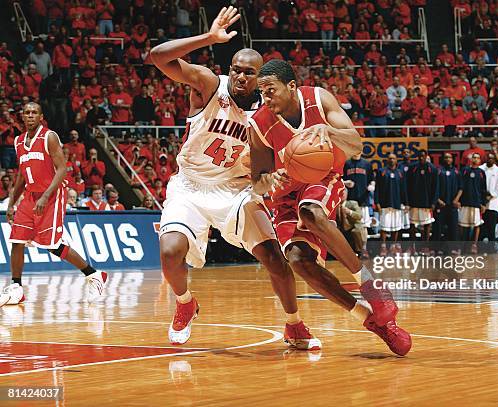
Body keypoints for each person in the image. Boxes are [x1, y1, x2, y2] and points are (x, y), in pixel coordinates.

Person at [149, 7, 319, 348]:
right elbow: (156, 57)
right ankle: (185, 304)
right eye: (237, 70)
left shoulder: (271, 110)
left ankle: (294, 324)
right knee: (169, 252)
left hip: (238, 190)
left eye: (250, 73)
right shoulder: (211, 86)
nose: (241, 77)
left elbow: (279, 157)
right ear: (230, 71)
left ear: (261, 78)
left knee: (274, 258)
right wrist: (209, 39)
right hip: (191, 185)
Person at [249, 59, 412, 355]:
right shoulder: (259, 123)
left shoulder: (318, 99)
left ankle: (371, 286)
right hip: (284, 197)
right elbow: (257, 183)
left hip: (322, 179)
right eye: (261, 92)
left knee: (310, 212)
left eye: (270, 90)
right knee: (299, 262)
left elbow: (356, 145)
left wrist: (329, 132)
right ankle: (373, 322)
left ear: (292, 86)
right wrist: (269, 179)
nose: (265, 98)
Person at [1, 102, 107, 307]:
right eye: (27, 113)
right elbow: (22, 175)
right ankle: (16, 287)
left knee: (51, 244)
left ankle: (93, 275)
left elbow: (62, 169)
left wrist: (45, 195)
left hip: (52, 194)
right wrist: (12, 203)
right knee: (17, 238)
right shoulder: (19, 141)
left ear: (41, 116)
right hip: (31, 195)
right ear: (22, 117)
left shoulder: (49, 136)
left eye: (34, 113)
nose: (30, 116)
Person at [455, 153, 488, 253]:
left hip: (477, 203)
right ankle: (460, 246)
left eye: (478, 158)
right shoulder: (464, 170)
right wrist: (458, 200)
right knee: (462, 225)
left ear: (480, 161)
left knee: (476, 225)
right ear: (471, 159)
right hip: (465, 202)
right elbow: (460, 186)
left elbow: (483, 189)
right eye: (474, 157)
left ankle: (474, 245)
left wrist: (483, 203)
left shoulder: (482, 172)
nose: (476, 159)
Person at [406, 150, 438, 243]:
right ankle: (413, 246)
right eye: (419, 156)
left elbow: (436, 187)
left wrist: (433, 202)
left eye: (423, 156)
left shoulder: (432, 169)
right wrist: (407, 202)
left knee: (427, 224)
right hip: (414, 202)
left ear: (426, 156)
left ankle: (426, 246)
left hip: (427, 202)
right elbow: (407, 185)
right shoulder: (412, 168)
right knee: (412, 224)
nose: (421, 158)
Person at [479, 153, 498, 242]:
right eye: (488, 158)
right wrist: (483, 198)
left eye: (492, 158)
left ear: (494, 160)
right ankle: (479, 248)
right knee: (480, 229)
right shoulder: (480, 169)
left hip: (493, 204)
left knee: (491, 230)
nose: (490, 160)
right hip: (480, 203)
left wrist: (489, 197)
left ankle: (491, 250)